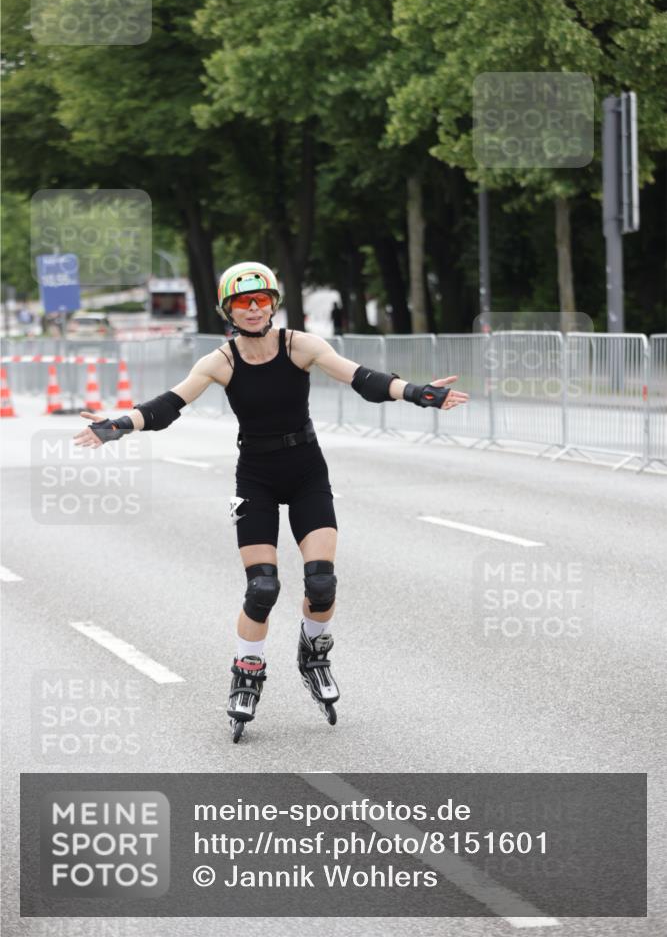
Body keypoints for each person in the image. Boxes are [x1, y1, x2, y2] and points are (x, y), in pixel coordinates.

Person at [73, 261, 469, 743]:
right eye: (244, 301)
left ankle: (314, 652)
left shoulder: (298, 345)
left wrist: (418, 394)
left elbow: (360, 378)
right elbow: (169, 405)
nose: (255, 308)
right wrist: (120, 424)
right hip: (255, 477)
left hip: (306, 472)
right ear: (228, 310)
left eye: (262, 300)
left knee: (321, 582)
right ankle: (247, 671)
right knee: (263, 588)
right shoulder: (220, 360)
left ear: (274, 304)